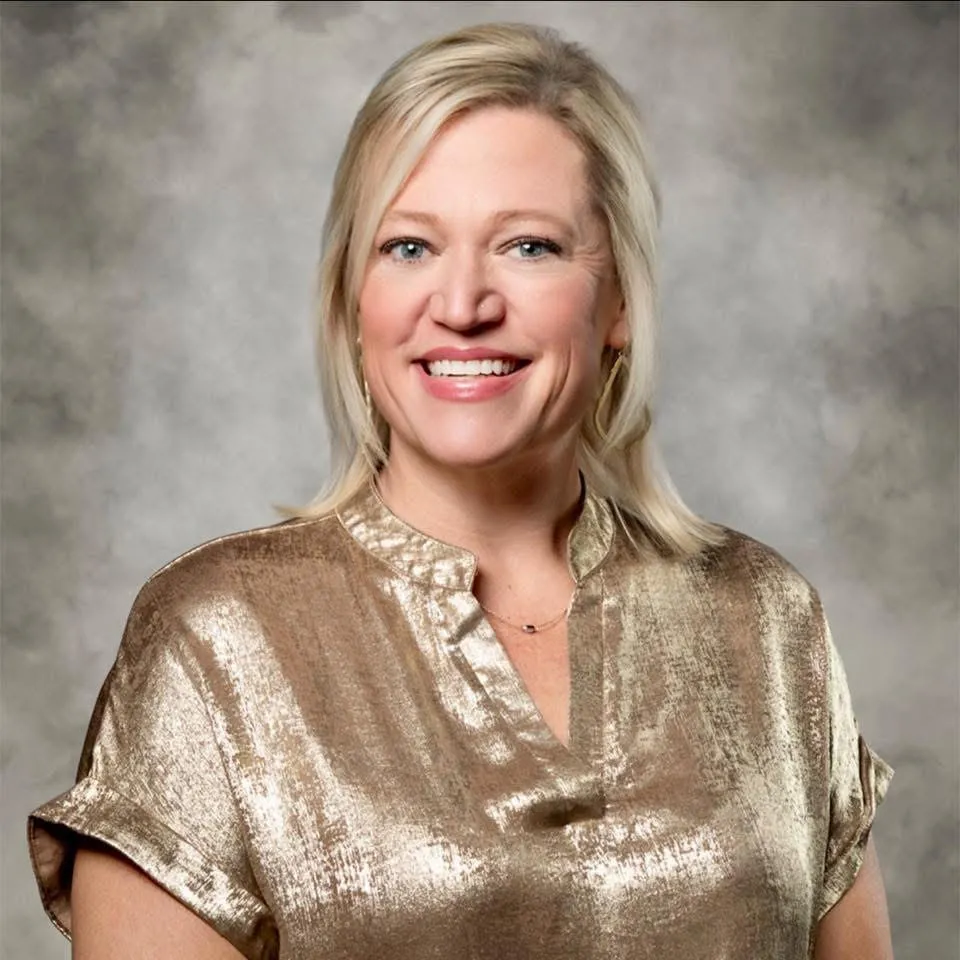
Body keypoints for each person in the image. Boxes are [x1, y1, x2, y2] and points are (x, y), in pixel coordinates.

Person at [27, 22, 894, 960]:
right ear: (350, 304)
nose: (464, 303)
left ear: (620, 305)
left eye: (528, 246)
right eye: (409, 248)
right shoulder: (217, 640)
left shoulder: (764, 618)